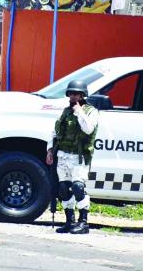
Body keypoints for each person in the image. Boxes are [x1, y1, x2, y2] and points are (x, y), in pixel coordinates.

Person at [46, 80, 99, 234]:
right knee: (63, 189)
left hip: (79, 157)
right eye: (71, 94)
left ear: (83, 95)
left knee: (77, 187)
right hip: (63, 155)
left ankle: (84, 223)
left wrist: (79, 112)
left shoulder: (91, 111)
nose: (73, 97)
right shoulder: (65, 111)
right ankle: (70, 221)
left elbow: (88, 129)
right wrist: (50, 150)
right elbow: (55, 132)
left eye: (76, 94)